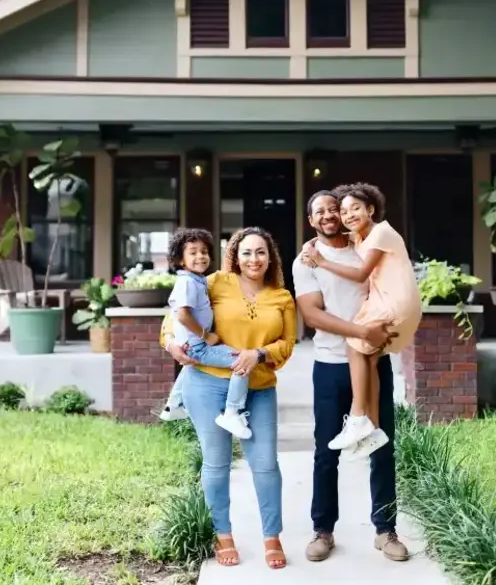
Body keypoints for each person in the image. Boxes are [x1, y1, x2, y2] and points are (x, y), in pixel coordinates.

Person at [161, 226, 296, 570]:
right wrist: (171, 345)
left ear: (270, 257)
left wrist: (259, 354)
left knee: (265, 465)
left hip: (258, 388)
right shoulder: (215, 281)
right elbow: (174, 315)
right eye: (246, 252)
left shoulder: (282, 297)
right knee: (216, 463)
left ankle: (271, 536)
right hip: (206, 385)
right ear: (235, 255)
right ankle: (223, 535)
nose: (254, 259)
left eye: (260, 252)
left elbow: (286, 346)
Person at [293, 188, 411, 563]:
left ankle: (385, 530)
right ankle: (323, 531)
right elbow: (312, 315)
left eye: (334, 209)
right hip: (330, 364)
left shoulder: (365, 246)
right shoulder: (306, 261)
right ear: (311, 221)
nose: (329, 215)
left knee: (382, 447)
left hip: (374, 361)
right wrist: (362, 332)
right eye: (320, 212)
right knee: (326, 453)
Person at [302, 183, 421, 458]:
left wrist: (320, 260)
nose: (348, 215)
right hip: (390, 302)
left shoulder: (381, 232)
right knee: (369, 357)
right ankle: (374, 430)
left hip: (394, 303)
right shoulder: (362, 237)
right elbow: (336, 235)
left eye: (355, 208)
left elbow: (360, 275)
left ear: (371, 209)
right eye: (344, 211)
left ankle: (357, 417)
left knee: (355, 344)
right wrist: (312, 243)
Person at [159, 228, 253, 440]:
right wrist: (204, 335)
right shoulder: (189, 282)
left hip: (193, 344)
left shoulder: (198, 280)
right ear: (180, 260)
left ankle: (173, 404)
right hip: (198, 344)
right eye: (193, 252)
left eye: (204, 252)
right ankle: (232, 412)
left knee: (189, 365)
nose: (200, 256)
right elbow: (180, 315)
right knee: (242, 361)